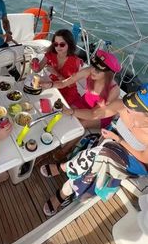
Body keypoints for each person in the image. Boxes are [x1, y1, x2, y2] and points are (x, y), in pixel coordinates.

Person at [40, 83, 148, 217]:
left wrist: (119, 141)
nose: (129, 108)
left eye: (135, 107)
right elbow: (94, 114)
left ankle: (64, 181)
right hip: (109, 142)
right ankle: (68, 183)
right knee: (100, 155)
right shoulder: (123, 106)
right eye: (132, 102)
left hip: (133, 160)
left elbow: (144, 158)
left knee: (101, 155)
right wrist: (71, 111)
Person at [46, 49, 121, 129]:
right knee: (63, 117)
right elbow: (65, 83)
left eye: (97, 70)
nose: (92, 71)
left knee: (80, 126)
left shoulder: (114, 90)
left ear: (107, 74)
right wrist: (48, 85)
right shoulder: (89, 71)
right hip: (83, 102)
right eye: (93, 66)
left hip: (99, 115)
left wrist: (72, 111)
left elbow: (93, 114)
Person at [34, 29, 83, 107]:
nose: (58, 47)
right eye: (56, 44)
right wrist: (34, 63)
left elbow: (70, 85)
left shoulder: (75, 61)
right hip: (52, 86)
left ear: (69, 44)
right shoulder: (50, 54)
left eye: (62, 44)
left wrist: (56, 73)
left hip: (67, 92)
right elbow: (37, 69)